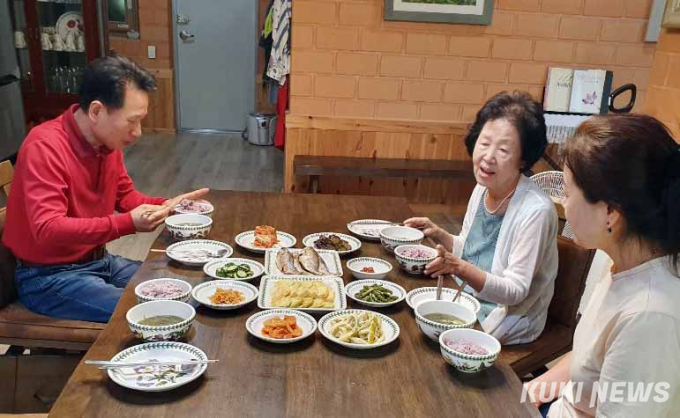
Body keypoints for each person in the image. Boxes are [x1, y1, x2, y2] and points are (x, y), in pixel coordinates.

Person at [2, 56, 208, 323]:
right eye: (132, 122)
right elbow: (47, 228)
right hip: (48, 278)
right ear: (97, 111)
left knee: (185, 289)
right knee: (159, 313)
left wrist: (170, 205)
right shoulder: (45, 146)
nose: (138, 132)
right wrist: (127, 223)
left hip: (98, 262)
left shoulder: (105, 143)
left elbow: (126, 197)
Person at [526, 114, 680, 417]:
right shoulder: (622, 262)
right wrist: (527, 396)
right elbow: (588, 361)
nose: (563, 202)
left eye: (568, 193)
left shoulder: (650, 316)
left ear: (610, 211)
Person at [405, 92, 558, 344]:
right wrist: (438, 233)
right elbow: (473, 250)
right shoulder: (483, 187)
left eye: (503, 149)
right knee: (410, 311)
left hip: (508, 315)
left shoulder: (535, 211)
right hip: (466, 295)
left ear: (523, 159)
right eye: (485, 143)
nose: (488, 156)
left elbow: (515, 291)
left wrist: (458, 267)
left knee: (427, 338)